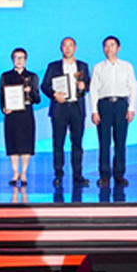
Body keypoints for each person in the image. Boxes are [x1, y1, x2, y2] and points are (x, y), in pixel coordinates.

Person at [41, 37, 91, 188]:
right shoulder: (53, 66)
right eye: (65, 46)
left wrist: (84, 86)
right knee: (58, 143)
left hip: (77, 108)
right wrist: (54, 94)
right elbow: (45, 86)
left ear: (75, 48)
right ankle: (58, 174)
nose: (68, 48)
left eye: (70, 45)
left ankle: (78, 175)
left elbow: (89, 84)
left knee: (77, 143)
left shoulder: (82, 66)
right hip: (60, 108)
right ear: (61, 48)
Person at [89, 35, 137, 188]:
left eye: (112, 45)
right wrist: (94, 111)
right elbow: (93, 90)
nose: (108, 48)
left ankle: (119, 174)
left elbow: (133, 87)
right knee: (104, 142)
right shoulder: (98, 67)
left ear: (118, 48)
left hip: (121, 105)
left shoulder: (127, 66)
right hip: (104, 105)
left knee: (120, 141)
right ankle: (104, 175)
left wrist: (131, 108)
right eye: (106, 45)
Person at [0, 47, 40, 186]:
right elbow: (1, 95)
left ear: (26, 60)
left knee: (26, 144)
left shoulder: (32, 76)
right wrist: (4, 108)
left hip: (26, 113)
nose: (19, 60)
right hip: (12, 115)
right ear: (12, 60)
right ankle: (15, 172)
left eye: (21, 57)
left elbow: (37, 98)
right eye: (16, 57)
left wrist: (30, 91)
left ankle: (24, 173)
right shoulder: (6, 76)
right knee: (13, 143)